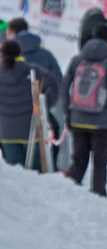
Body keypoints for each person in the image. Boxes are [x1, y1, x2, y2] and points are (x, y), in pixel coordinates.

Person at [64, 23, 107, 197]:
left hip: (78, 117)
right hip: (103, 121)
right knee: (100, 162)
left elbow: (65, 87)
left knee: (79, 160)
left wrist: (68, 113)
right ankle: (98, 195)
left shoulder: (77, 60)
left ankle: (68, 195)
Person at [7, 18, 63, 169]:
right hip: (37, 115)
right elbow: (57, 82)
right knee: (53, 132)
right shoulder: (46, 55)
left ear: (11, 33)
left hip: (7, 120)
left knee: (13, 166)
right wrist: (43, 106)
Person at [0, 39, 57, 169]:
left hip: (6, 132)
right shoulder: (32, 70)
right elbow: (53, 85)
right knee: (34, 176)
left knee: (15, 176)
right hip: (31, 129)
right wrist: (44, 105)